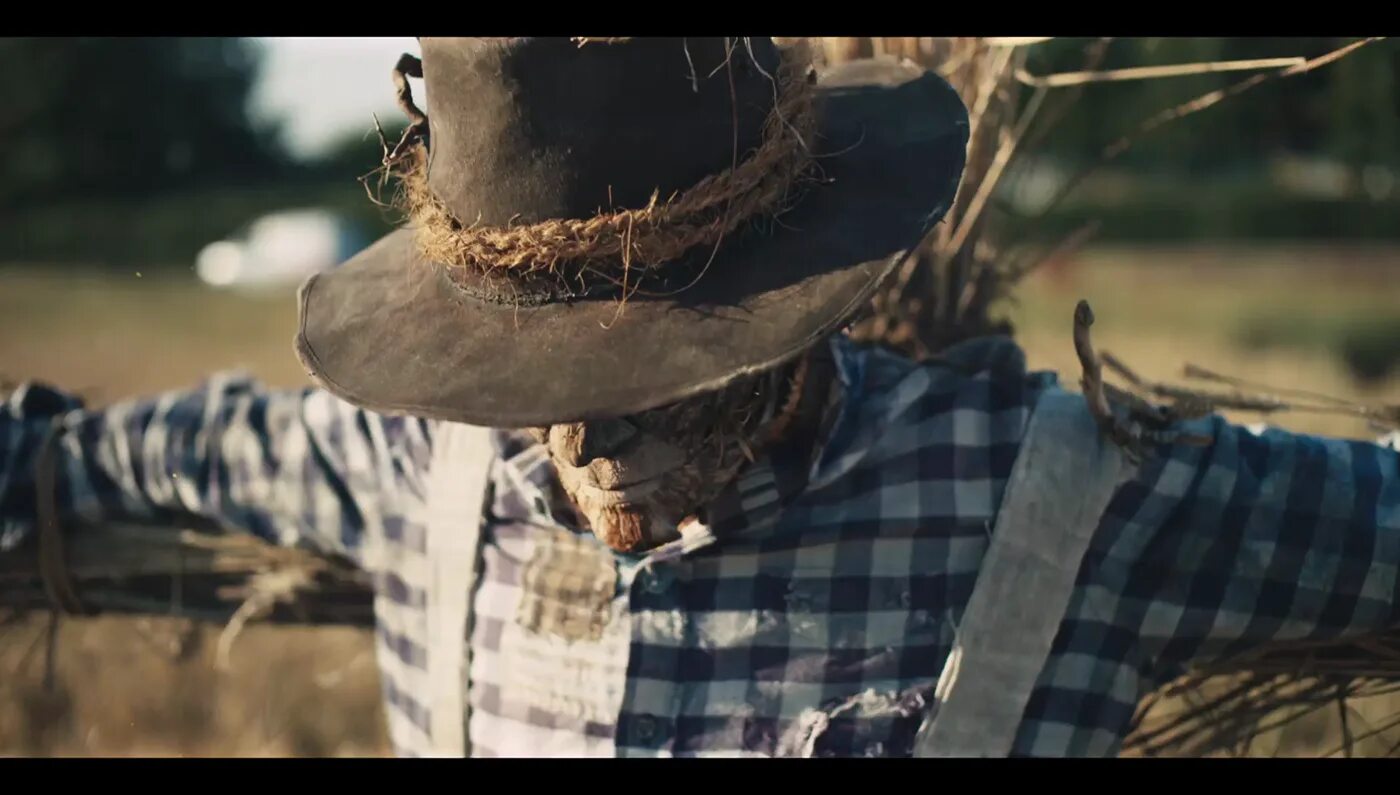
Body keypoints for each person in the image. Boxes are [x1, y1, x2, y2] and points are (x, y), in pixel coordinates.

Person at [2, 37, 1398, 758]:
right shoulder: (422, 475)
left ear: (797, 298)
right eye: (528, 383)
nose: (582, 438)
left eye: (647, 375)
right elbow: (123, 462)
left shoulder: (1070, 507)